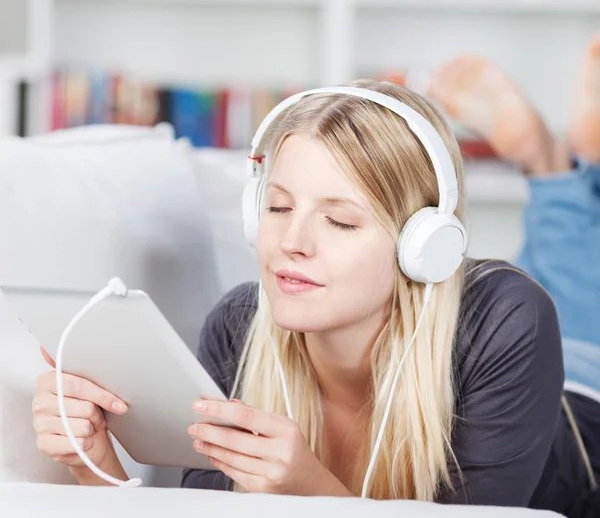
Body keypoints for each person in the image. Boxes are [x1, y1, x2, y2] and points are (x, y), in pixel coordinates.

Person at [30, 35, 600, 516]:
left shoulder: (508, 319)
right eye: (277, 209)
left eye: (339, 221)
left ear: (420, 245)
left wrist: (309, 492)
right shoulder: (239, 326)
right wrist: (96, 470)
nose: (291, 244)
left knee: (572, 287)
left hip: (579, 386)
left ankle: (552, 163)